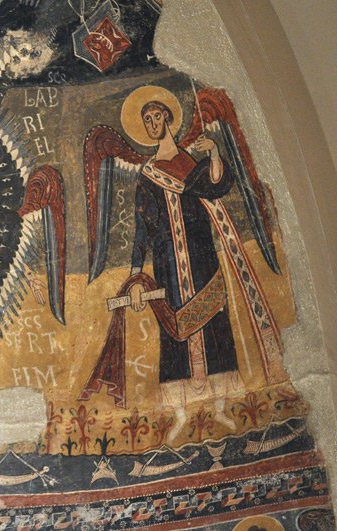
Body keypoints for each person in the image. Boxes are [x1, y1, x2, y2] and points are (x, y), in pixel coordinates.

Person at [126, 91, 242, 440]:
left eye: (157, 116)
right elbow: (142, 228)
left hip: (201, 256)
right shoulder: (148, 176)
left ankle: (220, 408)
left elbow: (217, 185)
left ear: (168, 119)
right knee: (174, 330)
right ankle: (179, 414)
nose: (152, 123)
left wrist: (214, 152)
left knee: (214, 324)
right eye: (147, 120)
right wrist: (135, 276)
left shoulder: (191, 165)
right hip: (167, 265)